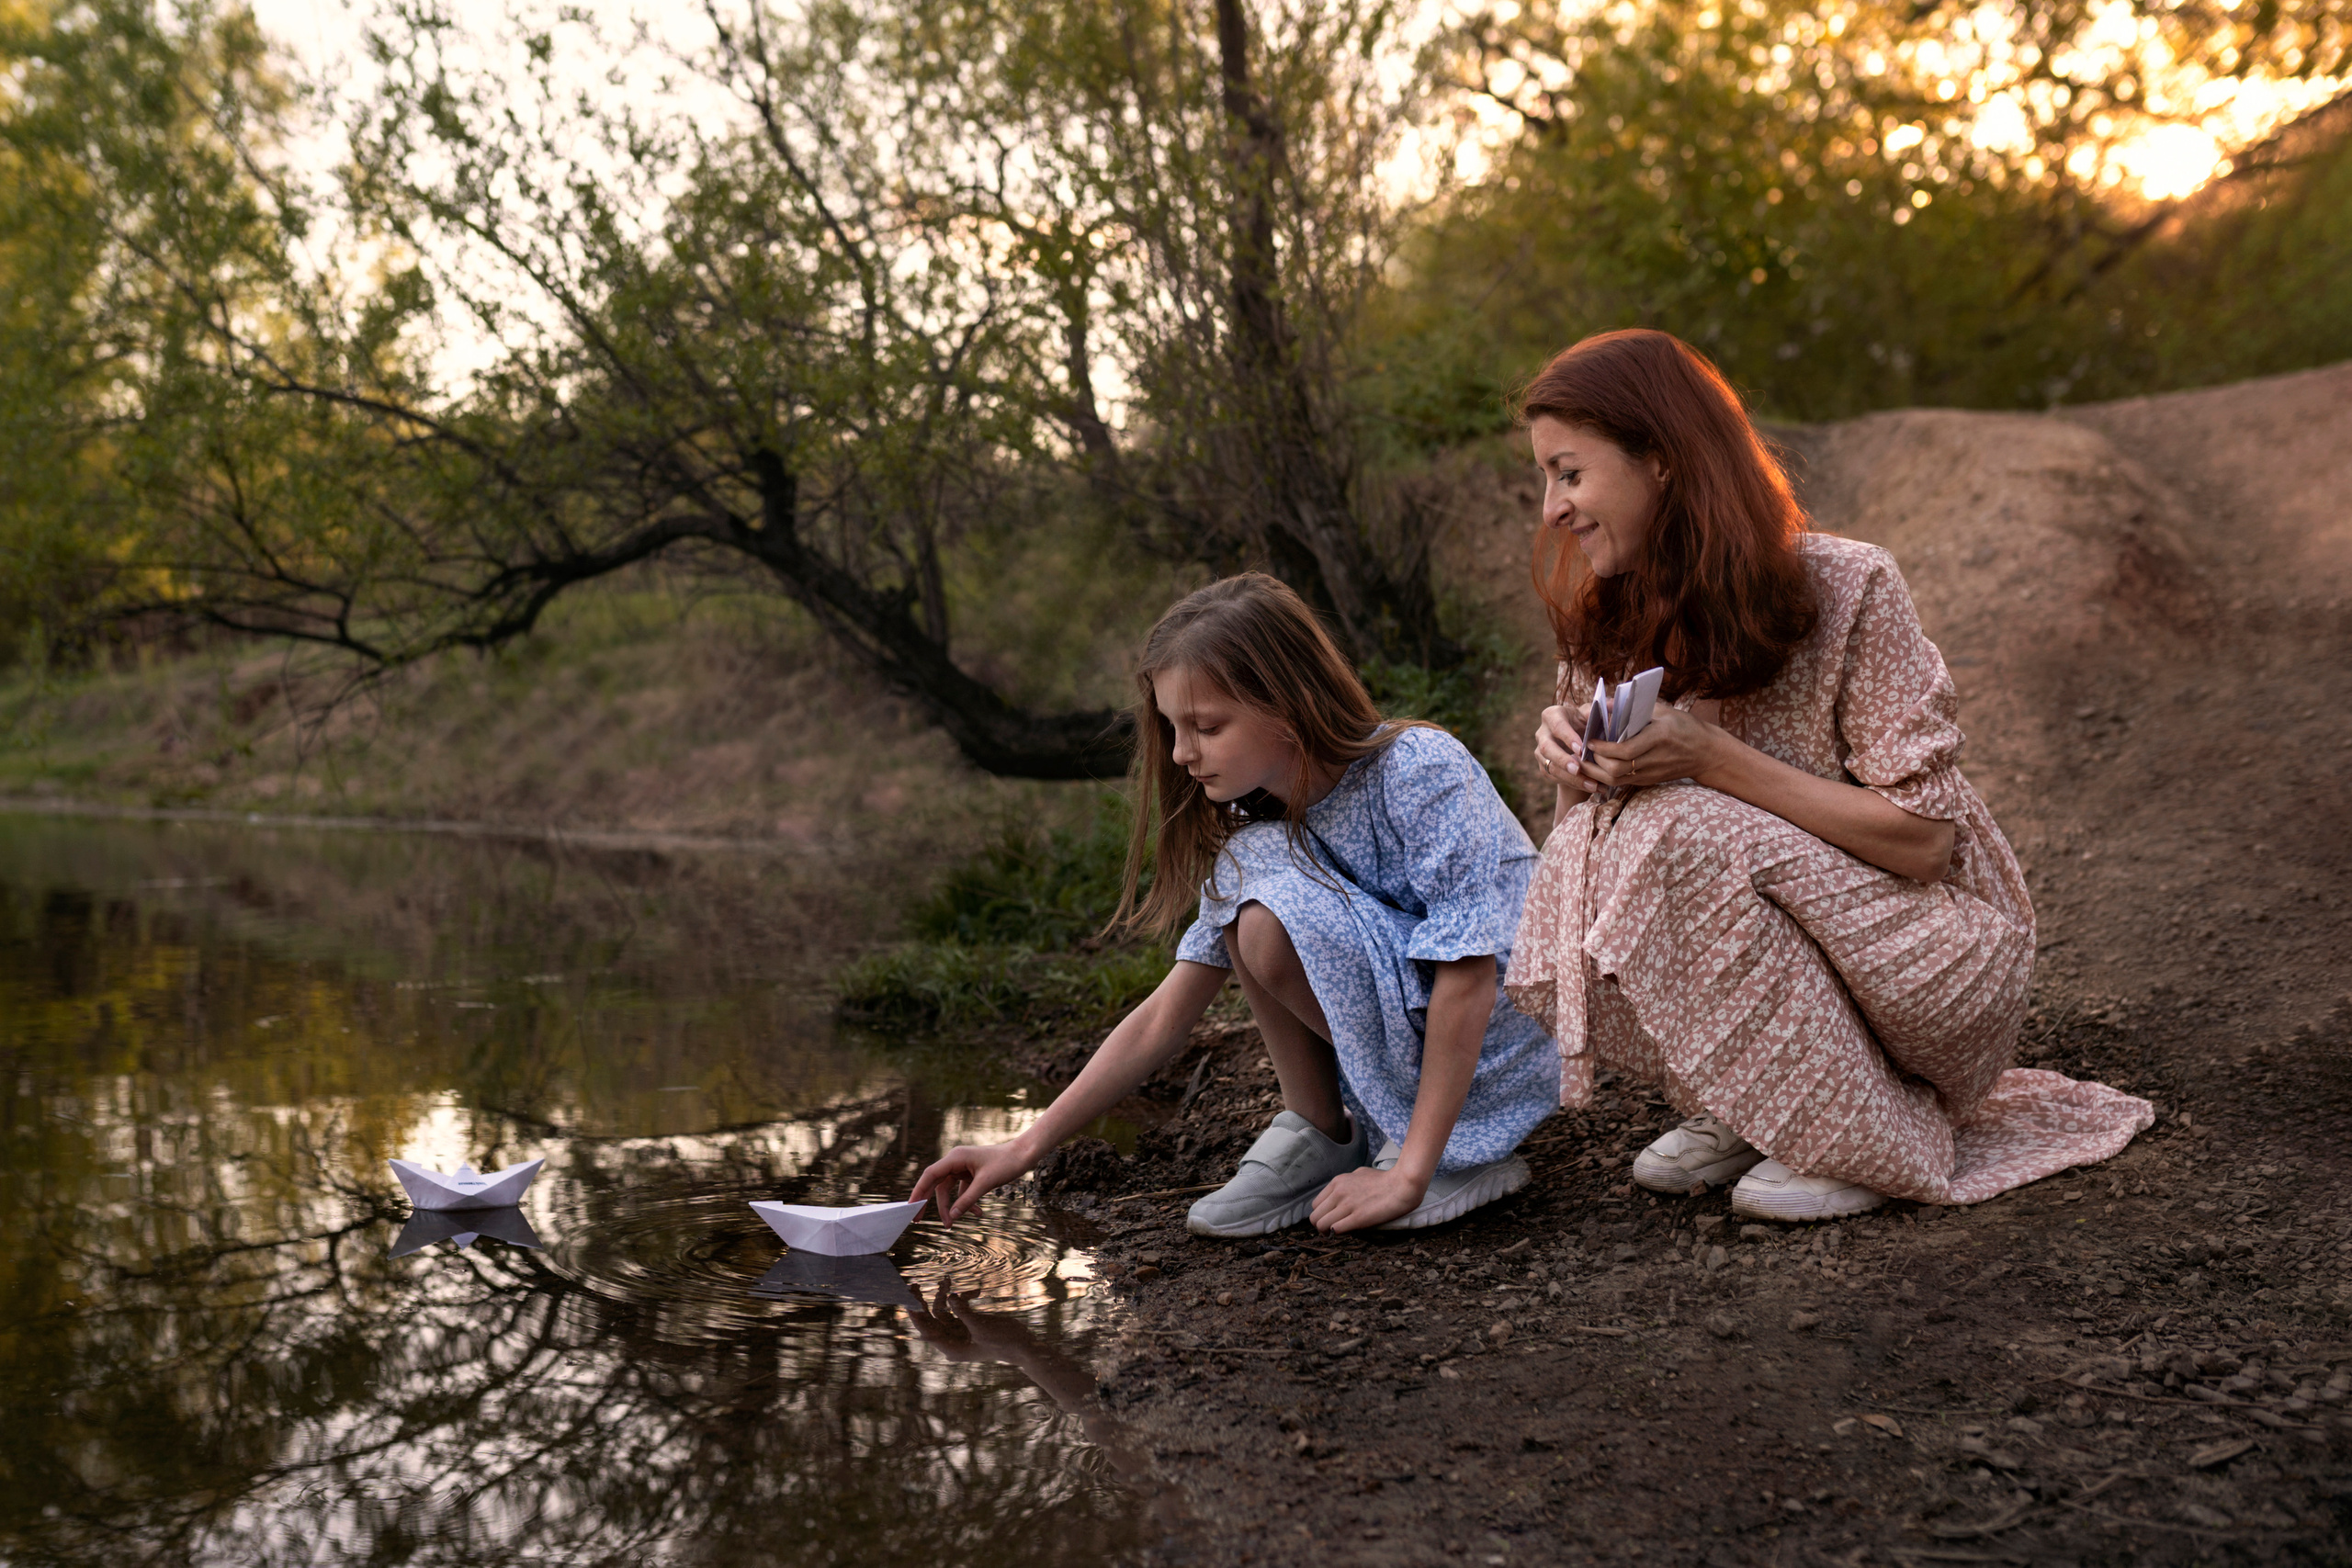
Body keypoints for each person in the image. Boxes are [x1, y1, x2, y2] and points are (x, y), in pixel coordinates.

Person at [1509, 328, 2153, 1223]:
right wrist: (1576, 772)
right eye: (1546, 479)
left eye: (1568, 473)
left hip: (1936, 956)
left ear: (1658, 460)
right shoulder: (1609, 622)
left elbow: (1925, 844)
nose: (1551, 508)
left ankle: (1864, 1133)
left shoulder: (1847, 586)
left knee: (1675, 821)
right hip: (1809, 947)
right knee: (1606, 832)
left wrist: (1706, 756)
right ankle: (1770, 1099)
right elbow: (1580, 860)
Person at [911, 573, 1559, 1235]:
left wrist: (1411, 1175)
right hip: (1421, 1057)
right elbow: (1168, 1012)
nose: (1182, 753)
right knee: (1249, 895)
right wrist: (1020, 1147)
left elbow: (1472, 974)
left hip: (1491, 1059)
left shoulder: (1418, 768)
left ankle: (1451, 1150)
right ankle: (1322, 1129)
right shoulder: (1265, 832)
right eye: (1171, 727)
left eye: (1206, 726)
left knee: (1258, 892)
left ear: (1288, 703)